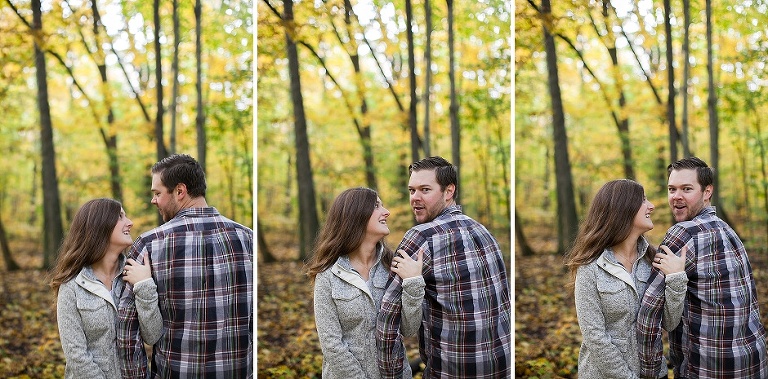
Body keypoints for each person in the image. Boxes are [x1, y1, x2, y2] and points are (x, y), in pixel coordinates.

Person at [116, 154, 253, 378]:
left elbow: (127, 330)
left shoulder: (150, 244)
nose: (154, 200)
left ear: (180, 191)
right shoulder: (248, 239)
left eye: (158, 193)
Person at [376, 156, 511, 378]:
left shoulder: (421, 237)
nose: (415, 198)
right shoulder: (483, 231)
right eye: (412, 191)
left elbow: (389, 318)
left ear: (449, 191)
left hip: (451, 371)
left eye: (425, 190)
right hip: (501, 366)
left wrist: (392, 374)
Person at [637, 157, 768, 378]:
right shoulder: (727, 230)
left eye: (686, 189)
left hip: (708, 368)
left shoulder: (684, 233)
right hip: (753, 362)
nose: (676, 196)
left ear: (707, 192)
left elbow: (649, 314)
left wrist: (651, 373)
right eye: (672, 189)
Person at [564, 179, 687, 378]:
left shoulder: (653, 260)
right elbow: (595, 336)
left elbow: (668, 322)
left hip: (655, 372)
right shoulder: (590, 267)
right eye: (643, 200)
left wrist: (676, 279)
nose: (651, 206)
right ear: (623, 208)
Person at [306, 187, 421, 379]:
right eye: (377, 206)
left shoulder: (394, 266)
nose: (387, 212)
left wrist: (413, 283)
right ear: (355, 214)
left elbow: (409, 329)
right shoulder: (328, 274)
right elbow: (332, 344)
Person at [50, 198, 163, 379]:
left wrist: (145, 285)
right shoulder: (72, 285)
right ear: (100, 225)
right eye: (120, 216)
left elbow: (153, 335)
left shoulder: (136, 275)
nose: (130, 223)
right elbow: (76, 355)